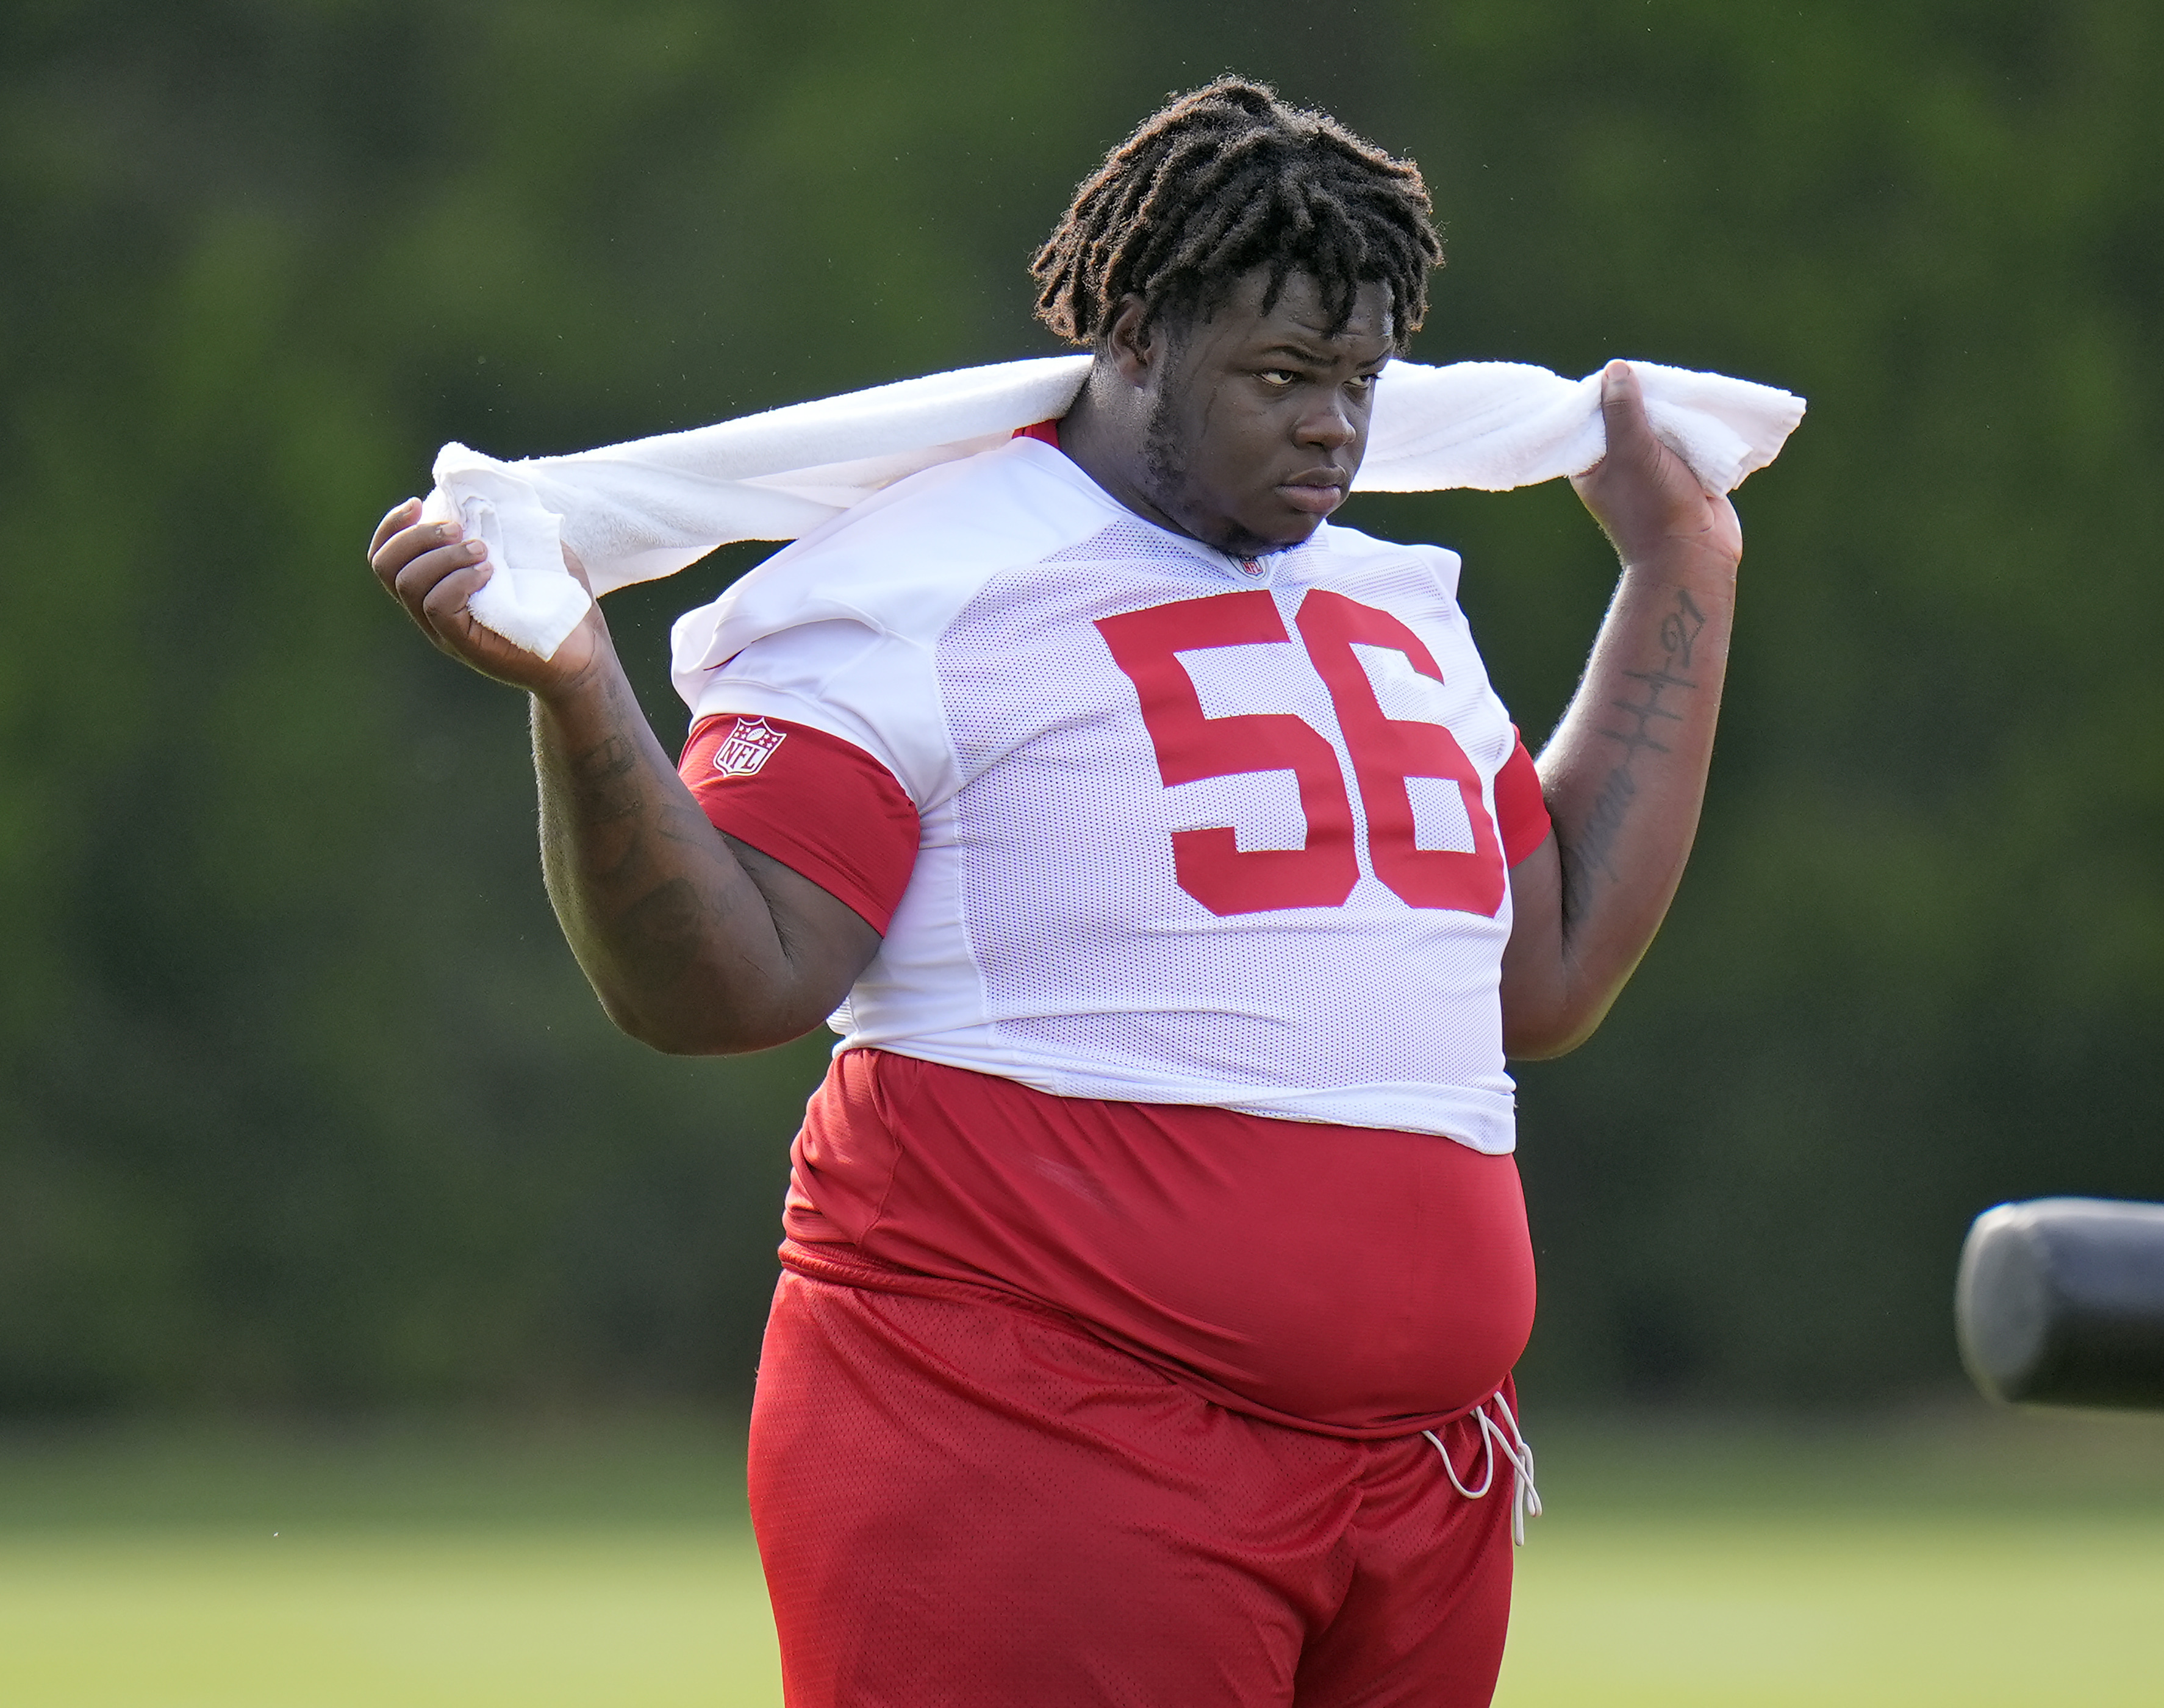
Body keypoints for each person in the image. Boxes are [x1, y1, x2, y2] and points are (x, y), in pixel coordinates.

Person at [368, 78, 1740, 1708]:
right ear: (1141, 338)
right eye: (1285, 376)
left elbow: (1551, 967)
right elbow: (721, 986)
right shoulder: (918, 578)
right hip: (1038, 1439)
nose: (1334, 429)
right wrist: (582, 693)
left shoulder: (1395, 600)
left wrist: (1682, 572)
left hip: (1417, 1485)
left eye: (1361, 382)